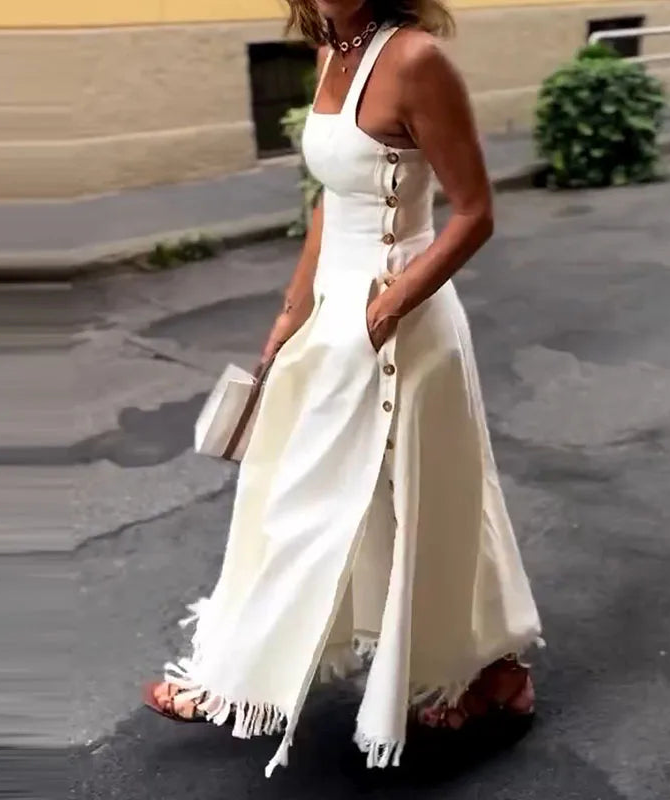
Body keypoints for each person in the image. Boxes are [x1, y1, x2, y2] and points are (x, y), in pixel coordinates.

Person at [144, 0, 542, 777]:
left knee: (355, 498)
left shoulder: (417, 59)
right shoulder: (334, 47)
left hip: (402, 323)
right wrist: (293, 311)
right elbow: (335, 197)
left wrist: (385, 310)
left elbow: (475, 213)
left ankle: (236, 677)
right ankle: (495, 669)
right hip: (335, 312)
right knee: (353, 495)